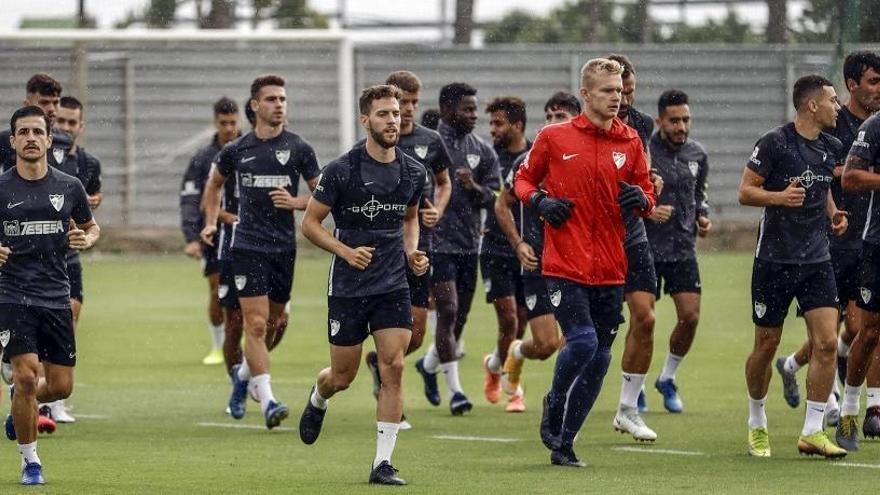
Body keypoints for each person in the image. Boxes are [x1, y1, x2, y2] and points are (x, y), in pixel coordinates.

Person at [514, 58, 655, 467]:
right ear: (587, 94)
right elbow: (523, 181)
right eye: (609, 90)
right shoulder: (554, 138)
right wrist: (541, 201)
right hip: (563, 263)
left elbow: (647, 193)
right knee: (583, 341)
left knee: (602, 357)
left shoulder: (630, 142)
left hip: (612, 266)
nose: (617, 97)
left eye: (620, 90)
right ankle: (554, 402)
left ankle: (565, 442)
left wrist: (641, 201)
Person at [298, 84, 427, 486]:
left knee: (394, 365)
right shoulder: (342, 170)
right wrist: (344, 251)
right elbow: (310, 224)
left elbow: (410, 218)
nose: (394, 120)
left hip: (392, 284)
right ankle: (319, 397)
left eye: (397, 113)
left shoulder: (413, 171)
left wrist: (411, 254)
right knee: (343, 376)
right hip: (349, 287)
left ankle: (382, 464)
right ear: (365, 120)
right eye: (384, 114)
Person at [201, 74, 320, 429]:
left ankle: (242, 374)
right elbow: (213, 186)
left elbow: (323, 194)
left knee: (274, 324)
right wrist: (210, 222)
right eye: (271, 99)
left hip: (283, 249)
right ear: (254, 106)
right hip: (247, 246)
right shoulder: (237, 149)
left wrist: (297, 202)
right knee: (253, 324)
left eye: (282, 98)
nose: (279, 104)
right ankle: (268, 400)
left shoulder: (299, 148)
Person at [740, 74, 848, 459]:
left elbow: (822, 191)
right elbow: (745, 191)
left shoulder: (831, 146)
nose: (839, 106)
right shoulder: (775, 142)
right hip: (774, 260)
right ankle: (757, 422)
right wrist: (779, 197)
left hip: (817, 258)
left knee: (827, 342)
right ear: (812, 105)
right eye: (833, 100)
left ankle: (812, 431)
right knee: (765, 346)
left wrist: (834, 214)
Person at [774, 51, 880, 432]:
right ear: (852, 85)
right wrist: (845, 170)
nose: (878, 89)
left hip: (863, 239)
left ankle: (793, 365)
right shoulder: (833, 122)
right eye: (872, 81)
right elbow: (813, 166)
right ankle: (835, 401)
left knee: (856, 328)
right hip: (826, 240)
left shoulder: (876, 125)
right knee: (834, 327)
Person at [0, 106, 100, 485]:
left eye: (36, 132)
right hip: (12, 294)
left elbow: (92, 227)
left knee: (60, 386)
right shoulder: (2, 188)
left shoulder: (68, 186)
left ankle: (18, 409)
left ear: (48, 138)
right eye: (22, 132)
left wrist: (85, 239)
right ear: (13, 141)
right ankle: (31, 461)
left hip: (56, 294)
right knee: (26, 376)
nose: (30, 138)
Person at [616, 89, 711, 441]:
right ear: (659, 121)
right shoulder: (644, 150)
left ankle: (667, 377)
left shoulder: (697, 153)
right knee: (644, 319)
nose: (681, 126)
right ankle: (634, 386)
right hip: (645, 249)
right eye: (674, 120)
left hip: (683, 249)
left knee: (690, 317)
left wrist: (703, 216)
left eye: (686, 119)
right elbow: (633, 190)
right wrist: (649, 210)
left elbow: (701, 193)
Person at [363, 71, 452, 430]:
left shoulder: (431, 142)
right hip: (381, 251)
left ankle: (382, 366)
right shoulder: (377, 143)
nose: (409, 109)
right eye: (403, 103)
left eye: (415, 102)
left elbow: (443, 183)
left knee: (415, 330)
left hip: (420, 247)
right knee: (392, 338)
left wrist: (439, 208)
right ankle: (391, 397)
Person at [414, 83, 500, 415]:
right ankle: (457, 392)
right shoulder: (426, 144)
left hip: (469, 245)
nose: (474, 115)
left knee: (459, 316)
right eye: (467, 108)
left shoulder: (482, 150)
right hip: (435, 243)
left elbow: (494, 197)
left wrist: (474, 187)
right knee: (447, 310)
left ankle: (430, 364)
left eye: (475, 108)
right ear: (448, 109)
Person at [497, 91, 579, 410]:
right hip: (536, 263)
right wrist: (518, 243)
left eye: (560, 116)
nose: (552, 122)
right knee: (545, 345)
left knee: (577, 338)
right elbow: (502, 205)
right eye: (548, 116)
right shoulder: (527, 161)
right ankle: (518, 352)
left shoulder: (585, 158)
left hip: (574, 261)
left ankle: (563, 403)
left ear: (576, 119)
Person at [606, 54, 670, 416]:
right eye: (618, 92)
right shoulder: (579, 130)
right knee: (596, 330)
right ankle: (568, 396)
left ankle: (629, 405)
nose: (625, 100)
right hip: (595, 236)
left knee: (645, 317)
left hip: (632, 232)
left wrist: (650, 183)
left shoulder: (642, 124)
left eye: (629, 91)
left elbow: (643, 169)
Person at [38, 95, 105, 424]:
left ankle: (53, 393)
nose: (64, 127)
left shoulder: (89, 164)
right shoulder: (38, 153)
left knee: (70, 313)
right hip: (32, 257)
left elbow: (88, 209)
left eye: (70, 122)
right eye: (59, 121)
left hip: (68, 254)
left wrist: (92, 205)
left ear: (81, 126)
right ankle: (37, 393)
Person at [838, 53, 880, 451]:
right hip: (874, 243)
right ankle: (850, 410)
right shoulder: (875, 125)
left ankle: (877, 410)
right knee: (867, 332)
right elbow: (850, 177)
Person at [180, 97, 241, 367]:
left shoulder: (249, 149)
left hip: (250, 232)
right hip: (214, 234)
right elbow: (191, 198)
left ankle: (241, 342)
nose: (229, 128)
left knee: (249, 295)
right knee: (217, 290)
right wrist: (192, 238)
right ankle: (219, 346)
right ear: (215, 122)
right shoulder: (204, 157)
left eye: (232, 122)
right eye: (223, 123)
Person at [481, 96, 530, 411]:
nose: (492, 129)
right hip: (495, 248)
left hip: (530, 250)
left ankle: (496, 363)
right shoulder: (488, 157)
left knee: (524, 320)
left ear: (518, 125)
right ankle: (514, 388)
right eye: (491, 123)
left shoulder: (536, 155)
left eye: (499, 123)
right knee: (509, 318)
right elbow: (487, 197)